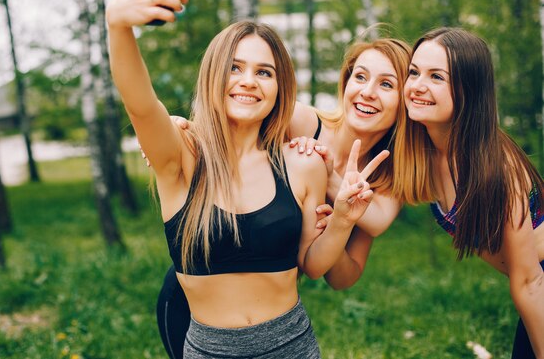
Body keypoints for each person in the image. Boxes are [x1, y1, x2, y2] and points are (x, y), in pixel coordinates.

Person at [106, 0, 388, 358]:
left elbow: (313, 265)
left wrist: (342, 220)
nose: (249, 81)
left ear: (279, 88)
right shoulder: (183, 158)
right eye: (235, 68)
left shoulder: (300, 163)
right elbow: (140, 103)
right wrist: (118, 26)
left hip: (292, 345)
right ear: (213, 75)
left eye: (264, 72)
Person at [156, 33, 413, 356]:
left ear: (406, 99)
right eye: (359, 77)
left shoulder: (389, 175)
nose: (367, 92)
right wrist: (181, 129)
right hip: (198, 286)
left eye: (387, 85)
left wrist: (338, 221)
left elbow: (341, 274)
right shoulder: (301, 121)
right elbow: (229, 118)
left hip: (275, 314)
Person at [403, 27, 544, 358]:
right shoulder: (420, 146)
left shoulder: (498, 167)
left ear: (468, 89)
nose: (418, 86)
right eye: (414, 72)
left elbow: (530, 281)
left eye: (436, 77)